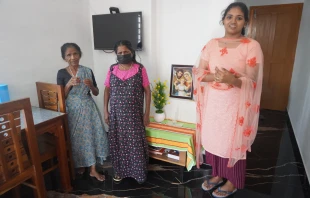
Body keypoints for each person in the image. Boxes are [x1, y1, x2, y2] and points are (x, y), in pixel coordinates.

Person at [192, 2, 263, 197]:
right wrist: (216, 77)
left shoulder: (251, 46)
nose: (233, 21)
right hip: (214, 102)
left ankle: (232, 180)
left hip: (237, 104)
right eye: (230, 17)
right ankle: (217, 174)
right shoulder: (211, 44)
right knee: (214, 139)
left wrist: (232, 80)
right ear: (223, 19)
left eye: (239, 18)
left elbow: (253, 81)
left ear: (245, 22)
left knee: (233, 142)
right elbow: (199, 72)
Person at [57, 43, 109, 182]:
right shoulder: (61, 73)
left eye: (75, 54)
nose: (73, 57)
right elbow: (60, 97)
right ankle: (81, 163)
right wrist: (68, 85)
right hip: (73, 111)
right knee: (77, 138)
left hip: (89, 110)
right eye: (69, 55)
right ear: (64, 57)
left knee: (91, 137)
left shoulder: (87, 70)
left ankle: (92, 169)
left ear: (80, 54)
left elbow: (96, 92)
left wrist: (91, 85)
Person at [104, 40, 151, 184]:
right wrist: (105, 111)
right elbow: (107, 90)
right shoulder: (112, 69)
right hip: (117, 116)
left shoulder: (140, 68)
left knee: (135, 145)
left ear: (131, 52)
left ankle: (138, 174)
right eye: (119, 53)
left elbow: (148, 92)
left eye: (125, 52)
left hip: (134, 116)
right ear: (116, 54)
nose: (123, 55)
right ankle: (119, 172)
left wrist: (146, 113)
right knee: (118, 144)